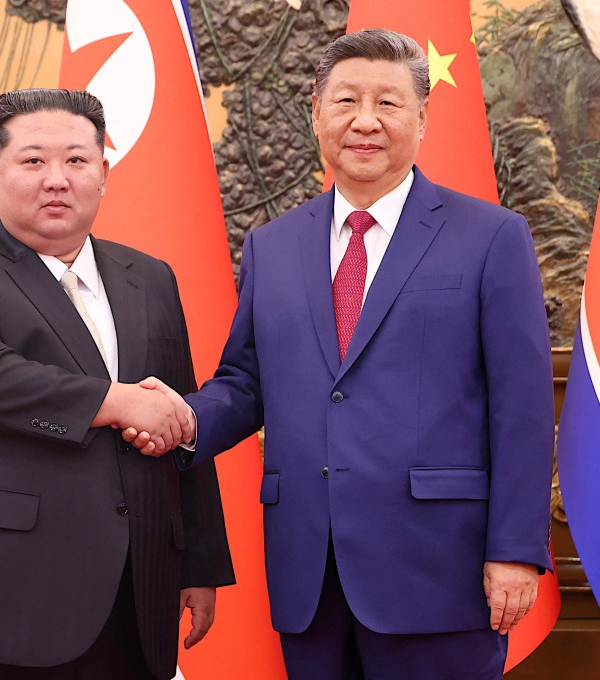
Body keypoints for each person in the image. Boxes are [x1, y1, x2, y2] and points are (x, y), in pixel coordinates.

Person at [129, 29, 554, 679]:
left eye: (388, 103)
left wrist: (516, 550)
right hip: (309, 571)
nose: (364, 121)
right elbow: (246, 381)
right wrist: (184, 420)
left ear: (421, 117)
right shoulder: (273, 246)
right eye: (346, 100)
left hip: (440, 571)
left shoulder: (491, 237)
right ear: (316, 114)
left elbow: (522, 405)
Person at [0, 88, 234, 680]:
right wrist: (117, 400)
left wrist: (198, 562)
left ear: (103, 174)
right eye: (33, 161)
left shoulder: (149, 277)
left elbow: (176, 415)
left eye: (77, 161)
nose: (57, 179)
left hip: (137, 590)